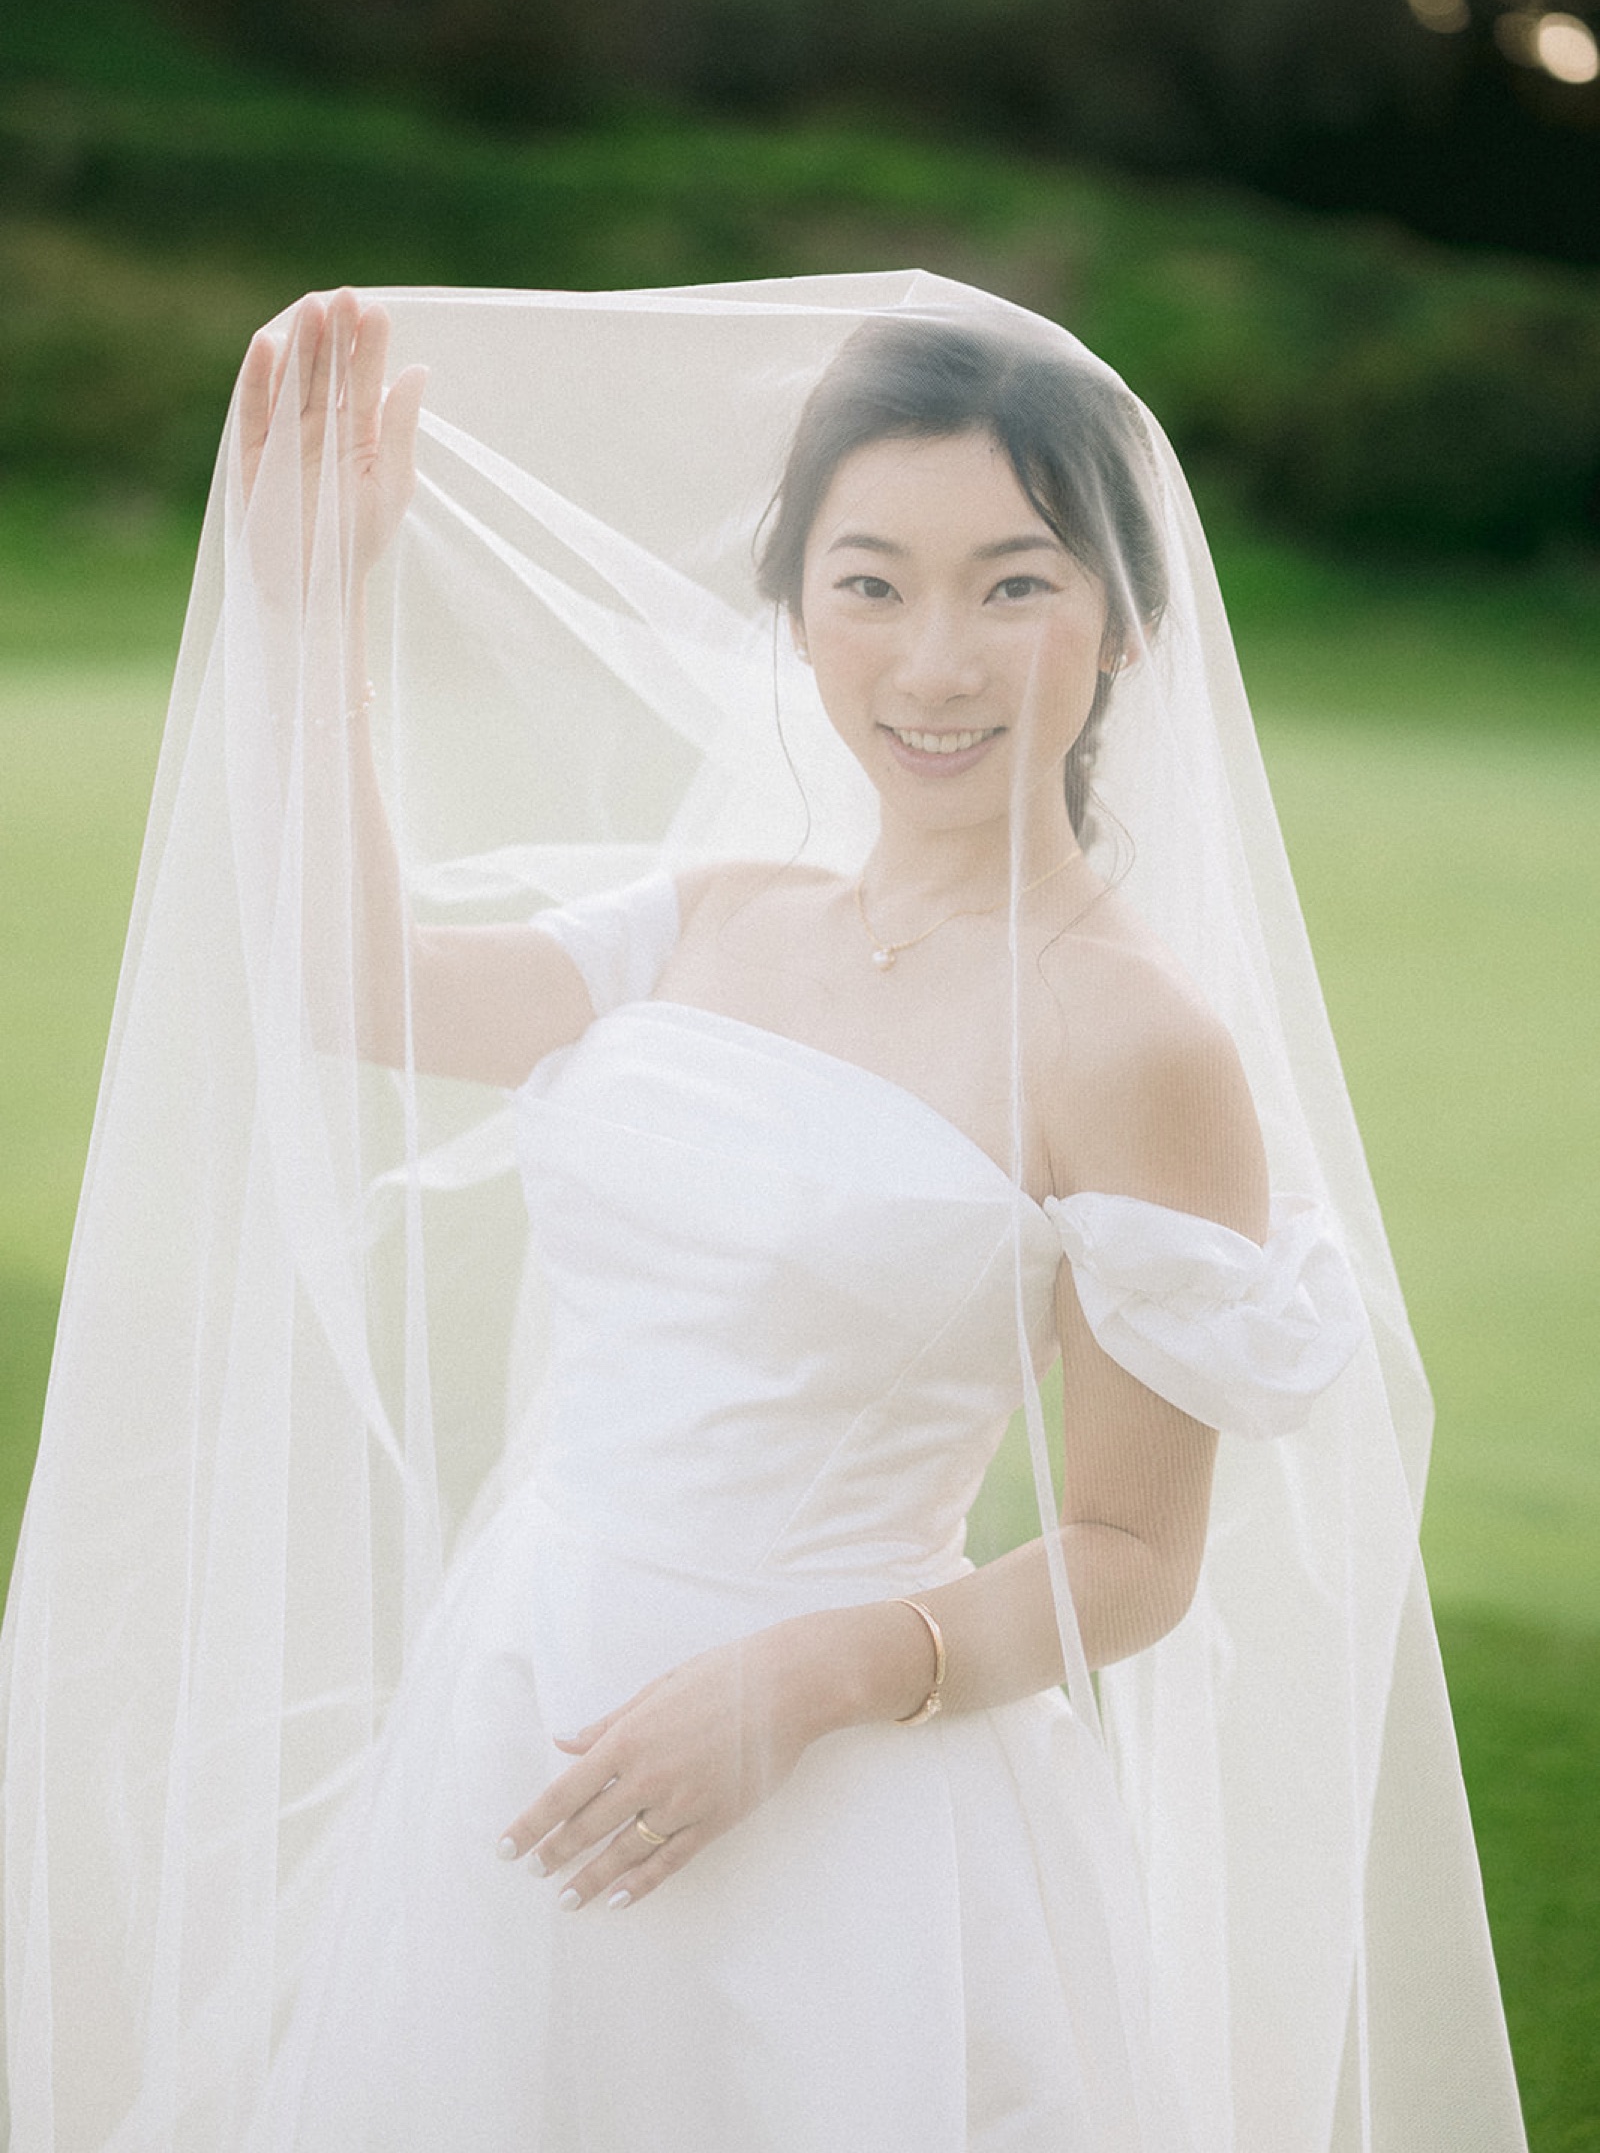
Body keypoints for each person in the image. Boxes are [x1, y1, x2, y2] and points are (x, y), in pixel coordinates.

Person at [0, 276, 1525, 2152]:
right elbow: (352, 982)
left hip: (845, 1804)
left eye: (1014, 583)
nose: (936, 662)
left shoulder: (1141, 1046)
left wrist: (811, 1679)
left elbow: (1135, 1550)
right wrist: (318, 607)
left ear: (1126, 619)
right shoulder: (720, 917)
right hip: (522, 1706)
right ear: (795, 604)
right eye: (870, 581)